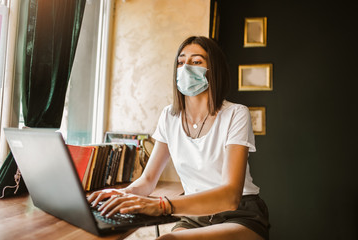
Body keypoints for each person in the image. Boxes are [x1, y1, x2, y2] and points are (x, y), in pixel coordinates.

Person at [88, 36, 270, 240]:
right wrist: (124, 194)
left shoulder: (236, 114)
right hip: (195, 214)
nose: (185, 68)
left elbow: (230, 196)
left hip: (239, 212)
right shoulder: (169, 116)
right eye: (181, 62)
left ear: (214, 70)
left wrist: (163, 205)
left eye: (196, 61)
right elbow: (148, 180)